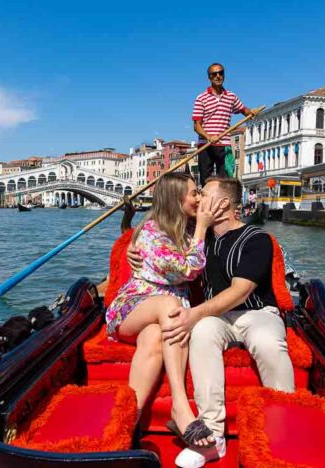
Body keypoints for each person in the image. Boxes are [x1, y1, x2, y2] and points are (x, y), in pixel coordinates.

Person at [158, 177, 295, 467]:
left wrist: (194, 314)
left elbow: (240, 290)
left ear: (222, 204)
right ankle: (212, 435)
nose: (196, 198)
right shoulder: (199, 236)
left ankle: (285, 425)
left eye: (203, 194)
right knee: (204, 332)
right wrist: (136, 249)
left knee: (267, 341)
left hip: (257, 312)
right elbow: (160, 234)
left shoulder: (257, 239)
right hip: (215, 317)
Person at [105, 173, 223, 448]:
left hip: (160, 319)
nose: (199, 198)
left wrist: (203, 224)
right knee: (172, 308)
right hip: (132, 308)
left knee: (155, 338)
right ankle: (180, 407)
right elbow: (188, 270)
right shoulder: (151, 233)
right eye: (194, 193)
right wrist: (202, 229)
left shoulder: (186, 227)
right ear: (175, 198)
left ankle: (127, 425)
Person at [192, 63, 259, 185]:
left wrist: (252, 112)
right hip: (205, 146)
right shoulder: (201, 98)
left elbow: (244, 110)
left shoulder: (231, 97)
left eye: (220, 73)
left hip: (225, 144)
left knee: (227, 181)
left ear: (224, 75)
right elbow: (196, 126)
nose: (218, 76)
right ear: (209, 77)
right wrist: (208, 137)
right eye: (214, 74)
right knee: (206, 181)